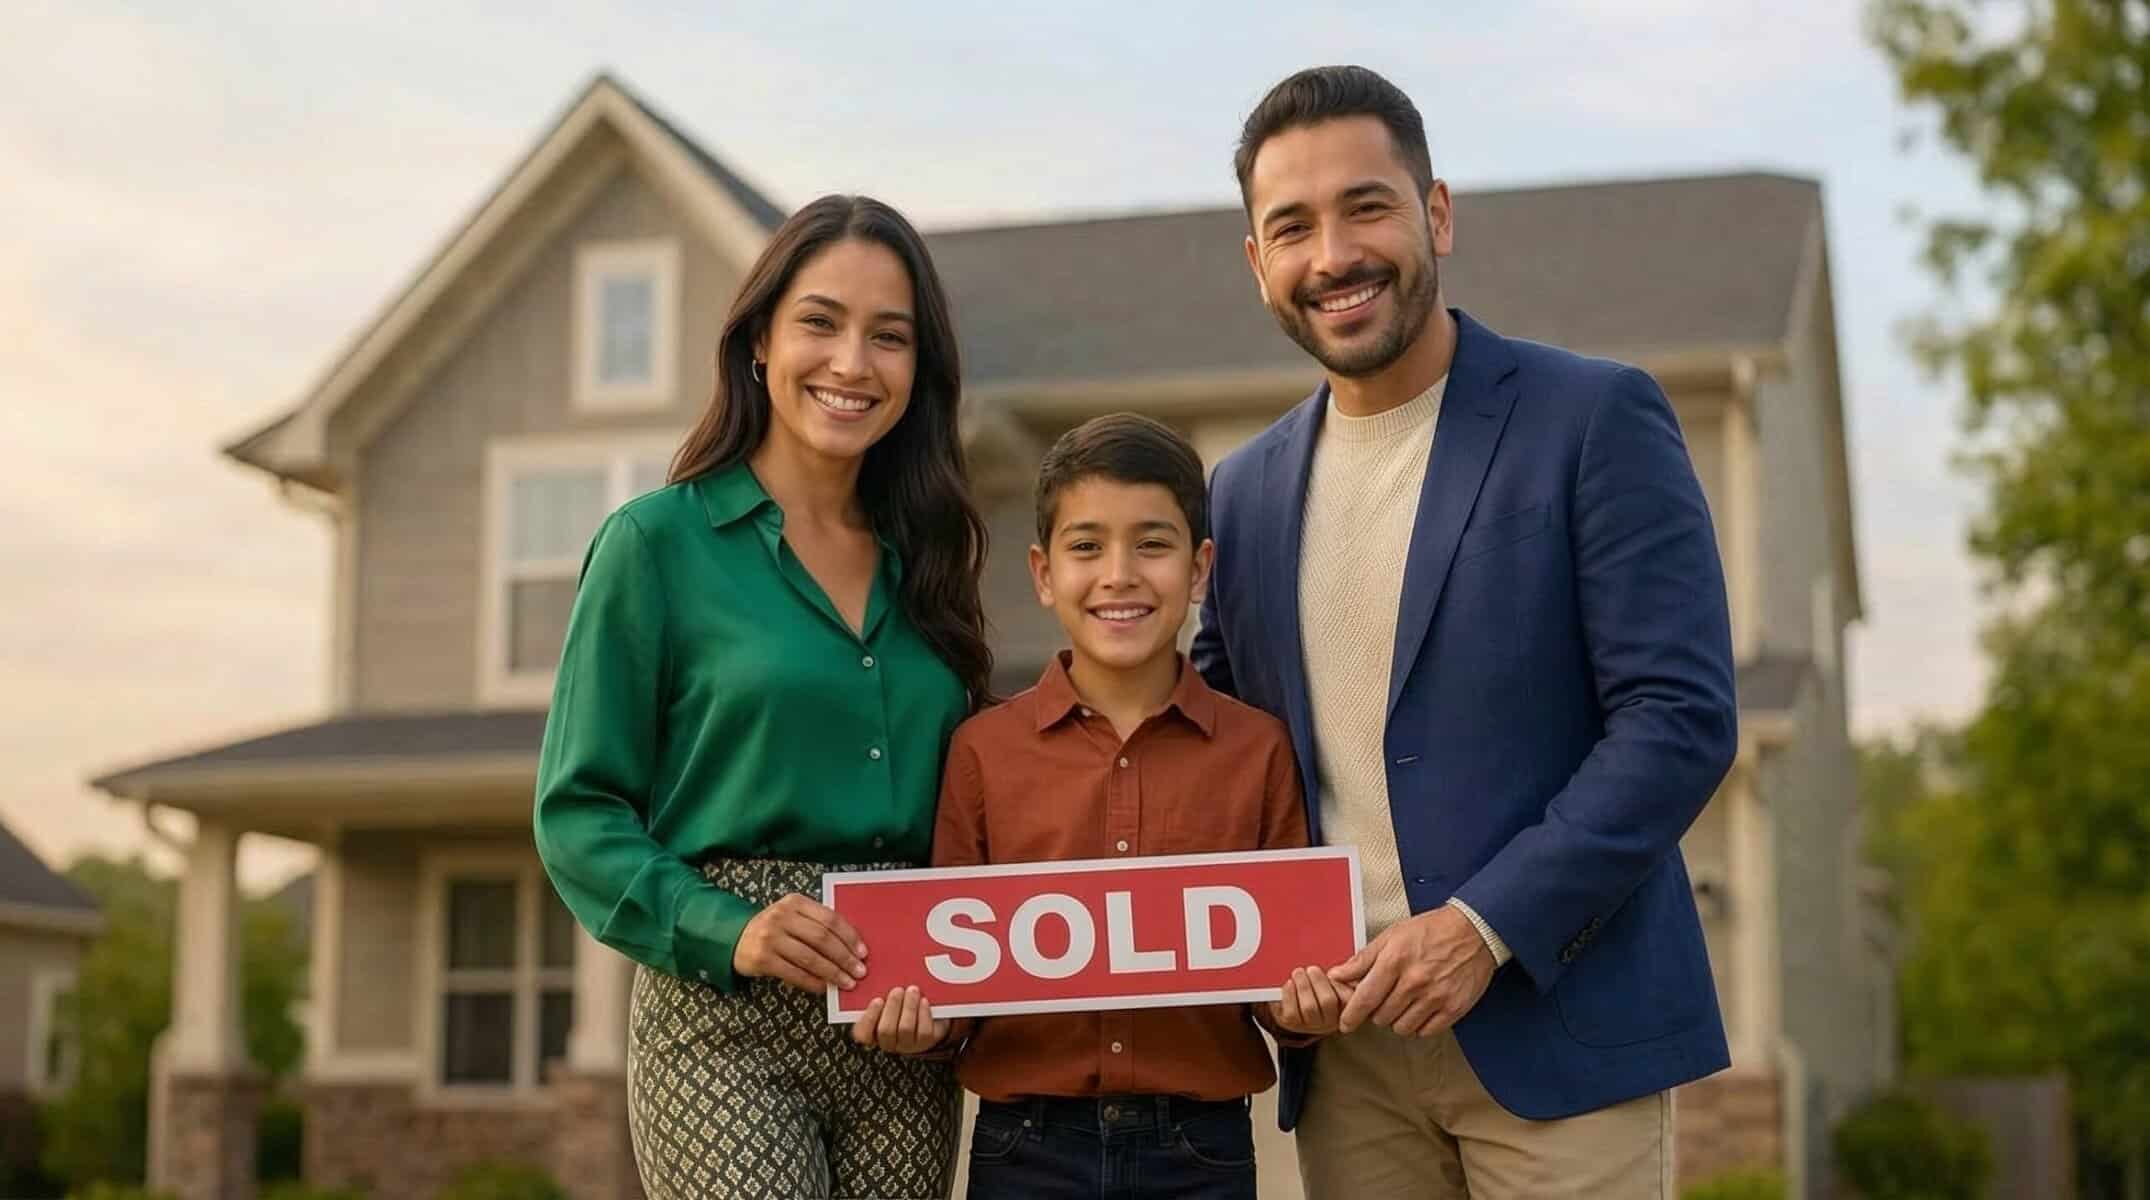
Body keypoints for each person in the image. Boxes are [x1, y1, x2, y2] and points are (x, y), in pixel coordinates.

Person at [1193, 65, 1740, 1198]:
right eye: (1291, 227)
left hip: (1561, 1033)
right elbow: (1218, 759)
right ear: (1256, 264)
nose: (1333, 255)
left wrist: (1480, 928)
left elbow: (1677, 720)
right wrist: (1255, 957)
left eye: (1366, 207)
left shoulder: (1593, 418)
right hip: (1346, 1061)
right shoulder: (1239, 497)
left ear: (1435, 213)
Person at [532, 193, 993, 1200]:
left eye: (889, 336)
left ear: (918, 370)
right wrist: (729, 929)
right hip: (722, 1019)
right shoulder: (656, 545)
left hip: (900, 1025)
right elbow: (578, 814)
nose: (852, 362)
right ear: (758, 343)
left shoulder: (931, 564)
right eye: (820, 322)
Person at [858, 413, 1341, 1200]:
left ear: (1199, 569)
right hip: (1026, 1150)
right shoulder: (981, 752)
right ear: (1044, 574)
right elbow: (954, 974)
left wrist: (1303, 1012)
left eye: (1152, 545)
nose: (1119, 575)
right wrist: (922, 1023)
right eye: (1086, 547)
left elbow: (1281, 980)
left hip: (1203, 1151)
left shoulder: (1257, 750)